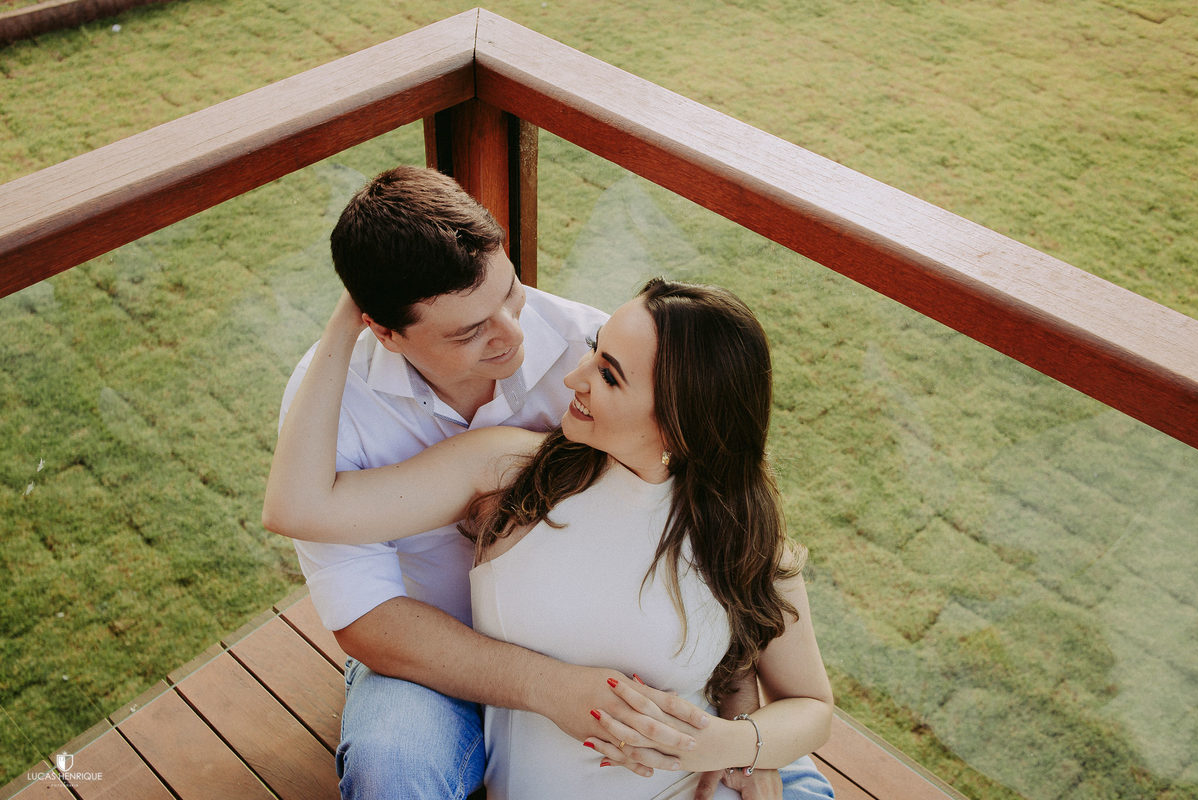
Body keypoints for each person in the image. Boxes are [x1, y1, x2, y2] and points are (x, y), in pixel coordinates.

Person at [273, 165, 806, 799]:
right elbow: (357, 605)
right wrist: (547, 687)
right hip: (422, 654)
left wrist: (748, 730)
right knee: (393, 769)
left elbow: (720, 518)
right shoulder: (334, 406)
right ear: (383, 329)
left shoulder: (596, 350)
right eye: (470, 331)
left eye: (510, 291)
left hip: (623, 672)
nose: (514, 335)